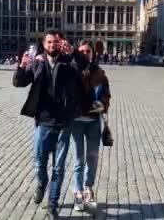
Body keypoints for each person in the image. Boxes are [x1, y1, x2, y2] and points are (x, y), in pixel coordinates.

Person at [13, 29, 85, 219]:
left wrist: (74, 53)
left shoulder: (69, 62)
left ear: (61, 43)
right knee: (39, 162)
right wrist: (21, 67)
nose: (52, 45)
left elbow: (85, 67)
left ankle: (52, 204)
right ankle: (42, 183)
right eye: (49, 42)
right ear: (44, 44)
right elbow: (19, 83)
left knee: (59, 168)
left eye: (56, 42)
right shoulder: (37, 62)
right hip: (43, 121)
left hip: (64, 122)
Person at [71, 40, 111, 211]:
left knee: (92, 157)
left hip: (94, 121)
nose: (85, 54)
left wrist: (102, 104)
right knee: (79, 158)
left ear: (92, 53)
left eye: (87, 51)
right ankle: (78, 191)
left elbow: (107, 96)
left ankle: (88, 188)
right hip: (76, 121)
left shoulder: (100, 74)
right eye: (81, 51)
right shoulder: (72, 71)